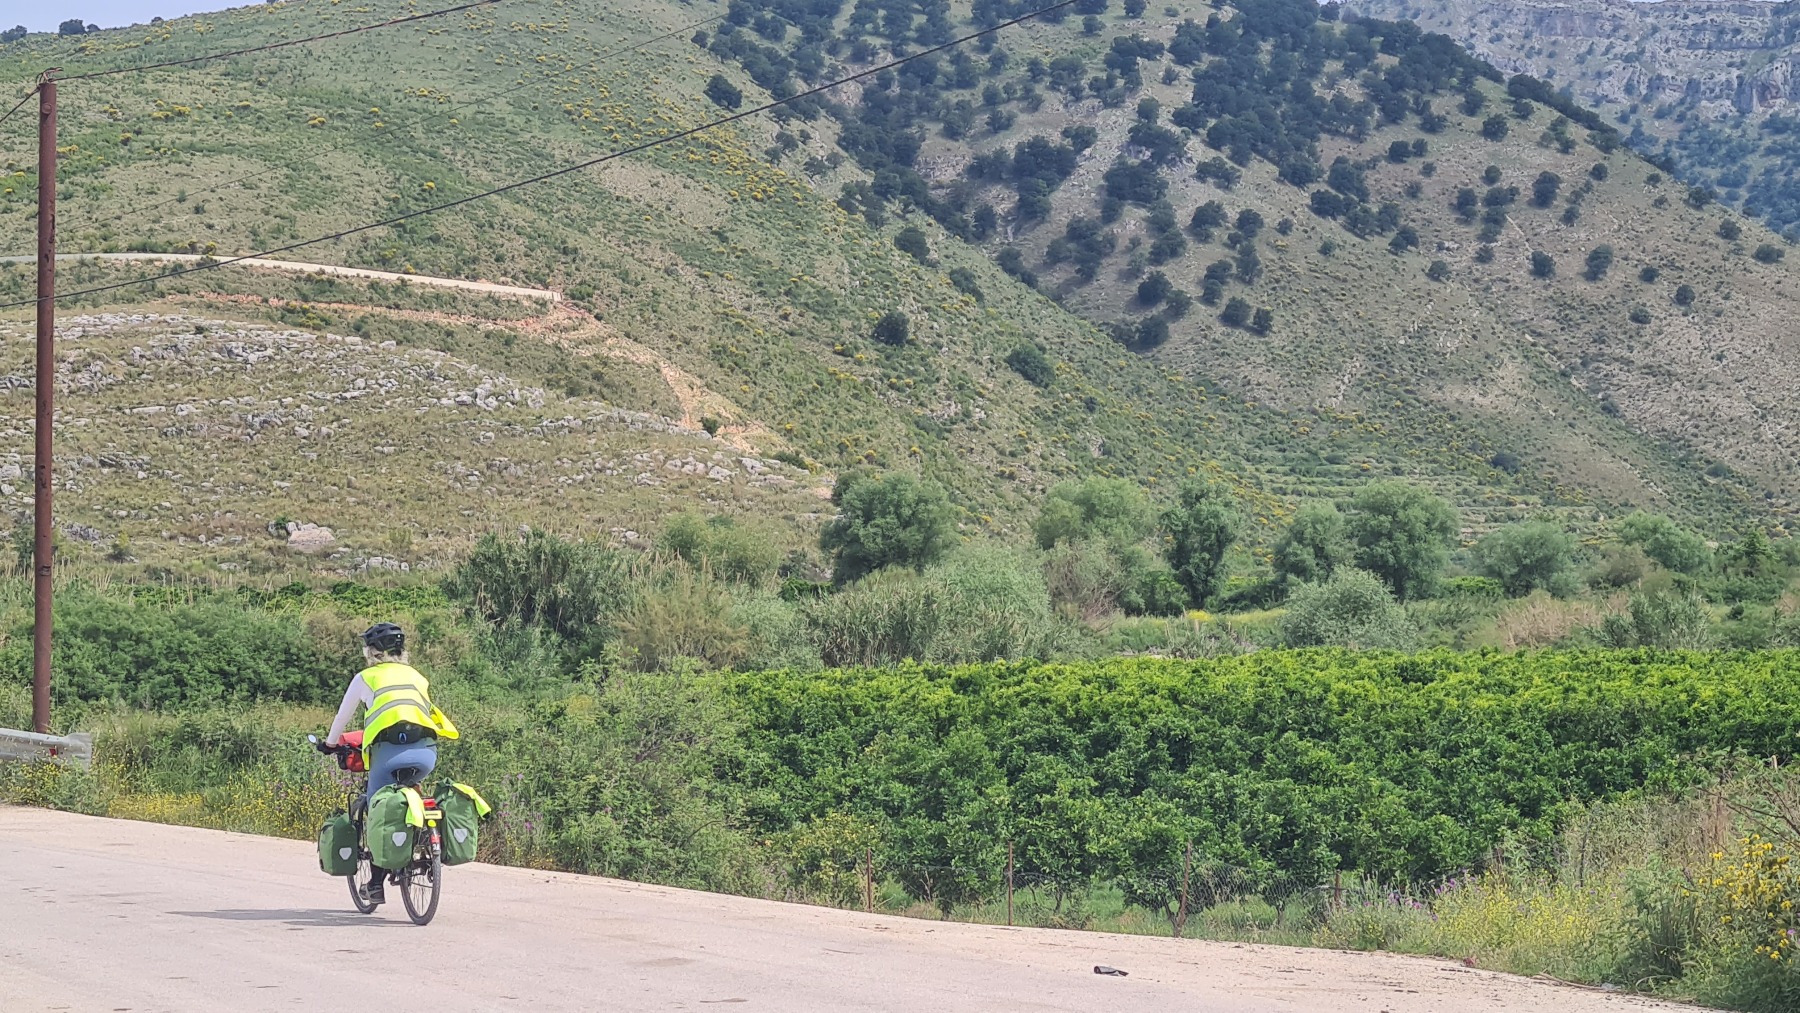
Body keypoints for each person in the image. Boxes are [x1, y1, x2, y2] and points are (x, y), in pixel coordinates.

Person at [319, 622, 458, 904]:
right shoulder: (417, 676)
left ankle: (375, 885)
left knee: (379, 811)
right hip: (426, 753)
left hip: (388, 755)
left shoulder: (366, 677)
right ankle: (427, 850)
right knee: (412, 791)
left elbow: (342, 717)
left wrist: (330, 744)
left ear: (371, 651)